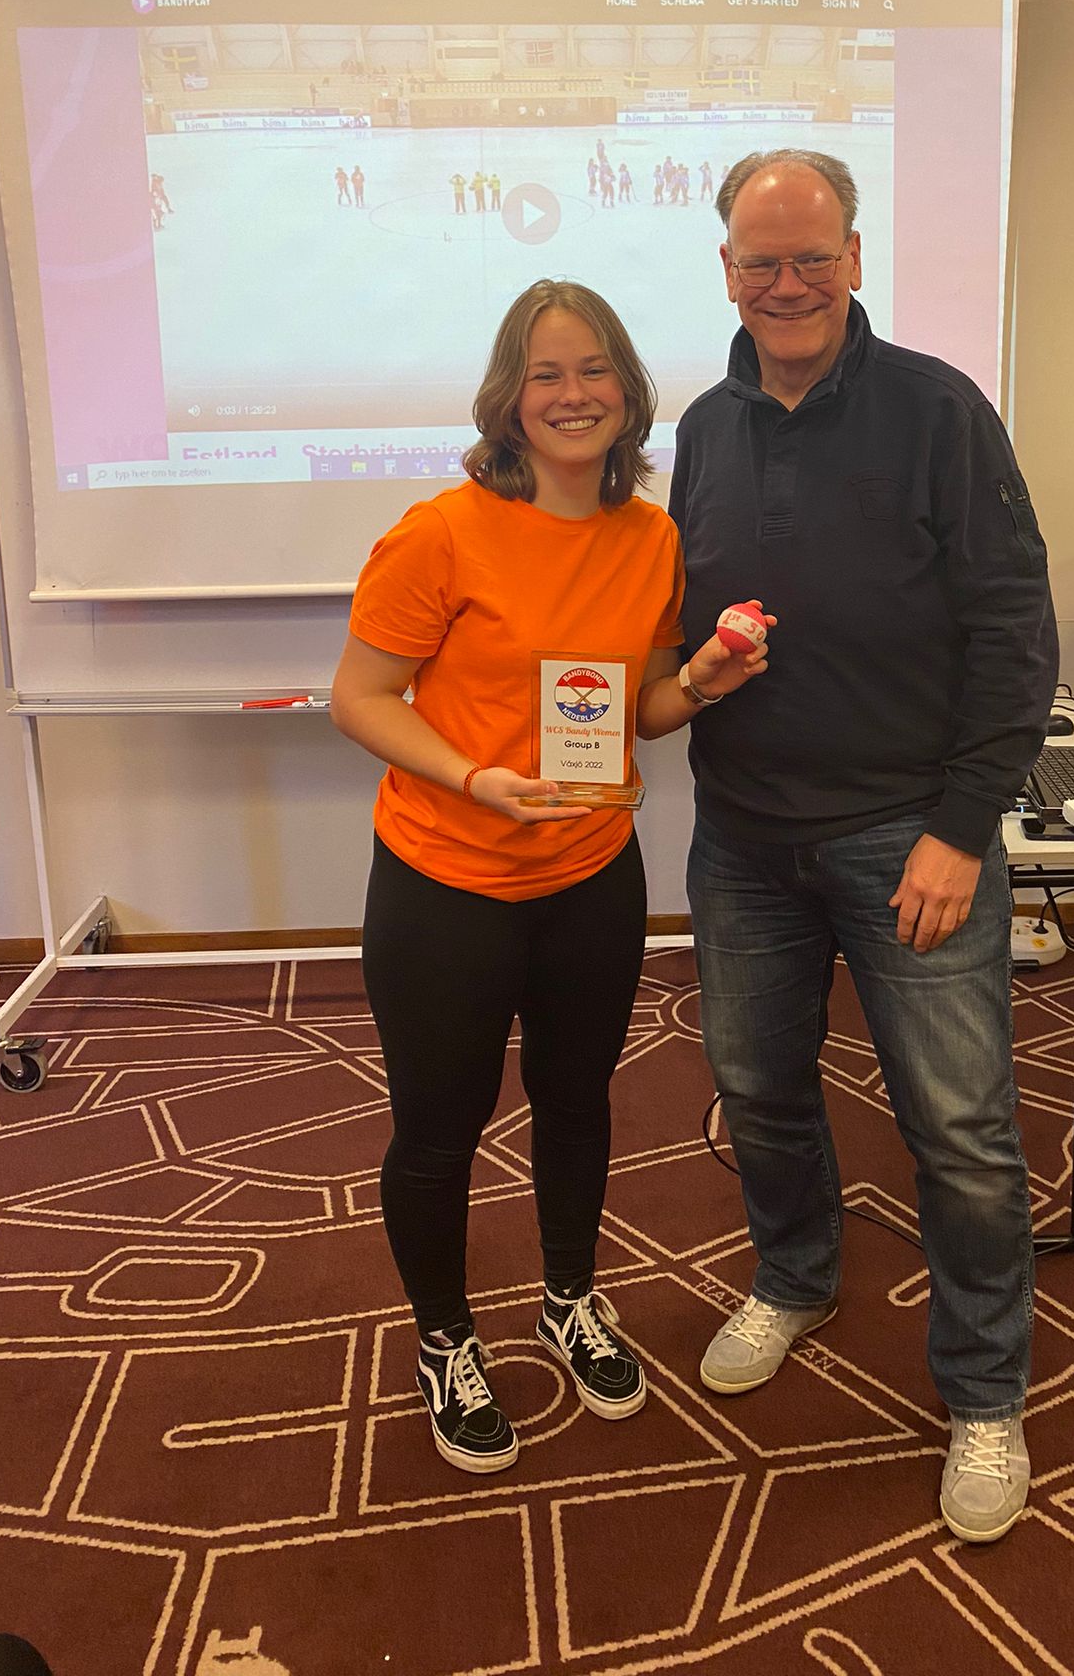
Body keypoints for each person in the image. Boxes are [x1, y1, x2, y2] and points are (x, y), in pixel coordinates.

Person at [670, 148, 1057, 1546]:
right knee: (758, 1088)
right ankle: (796, 1276)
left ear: (852, 257)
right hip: (743, 840)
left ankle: (986, 1392)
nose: (787, 283)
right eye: (760, 261)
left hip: (911, 838)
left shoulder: (939, 411)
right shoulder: (702, 429)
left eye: (811, 256)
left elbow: (1014, 629)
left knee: (959, 1131)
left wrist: (962, 827)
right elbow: (684, 622)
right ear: (726, 271)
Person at [331, 279, 770, 1477]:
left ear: (628, 389)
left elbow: (642, 708)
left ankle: (570, 1298)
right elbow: (360, 697)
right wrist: (473, 776)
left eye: (594, 370)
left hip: (588, 873)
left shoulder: (650, 538)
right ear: (508, 399)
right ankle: (444, 1339)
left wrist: (709, 676)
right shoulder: (441, 532)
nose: (574, 394)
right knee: (440, 1127)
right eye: (546, 374)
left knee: (577, 1104)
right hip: (446, 879)